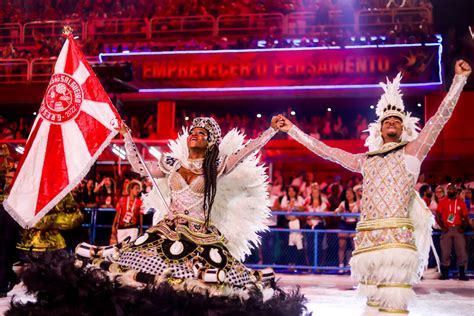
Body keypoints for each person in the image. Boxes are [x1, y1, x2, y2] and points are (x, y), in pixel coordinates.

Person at [277, 60, 471, 314]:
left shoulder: (413, 152)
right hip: (368, 245)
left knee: (393, 308)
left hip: (397, 246)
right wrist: (293, 130)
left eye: (397, 120)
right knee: (373, 308)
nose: (391, 122)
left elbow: (439, 118)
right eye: (387, 119)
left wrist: (458, 81)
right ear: (379, 128)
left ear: (404, 128)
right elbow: (328, 151)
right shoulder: (365, 161)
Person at [435, 183, 470, 280]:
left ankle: (462, 274)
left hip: (458, 229)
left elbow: (466, 217)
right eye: (448, 190)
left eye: (451, 190)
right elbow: (437, 215)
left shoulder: (461, 202)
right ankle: (445, 274)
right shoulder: (443, 202)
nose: (450, 191)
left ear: (455, 191)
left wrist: (462, 227)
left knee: (461, 251)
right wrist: (442, 227)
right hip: (447, 229)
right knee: (445, 251)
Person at [110, 179, 143, 244]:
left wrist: (141, 229)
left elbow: (141, 216)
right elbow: (117, 213)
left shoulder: (140, 201)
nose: (138, 190)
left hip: (133, 228)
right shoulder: (122, 199)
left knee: (130, 247)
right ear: (131, 189)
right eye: (136, 188)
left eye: (139, 189)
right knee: (120, 247)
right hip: (122, 227)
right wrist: (113, 226)